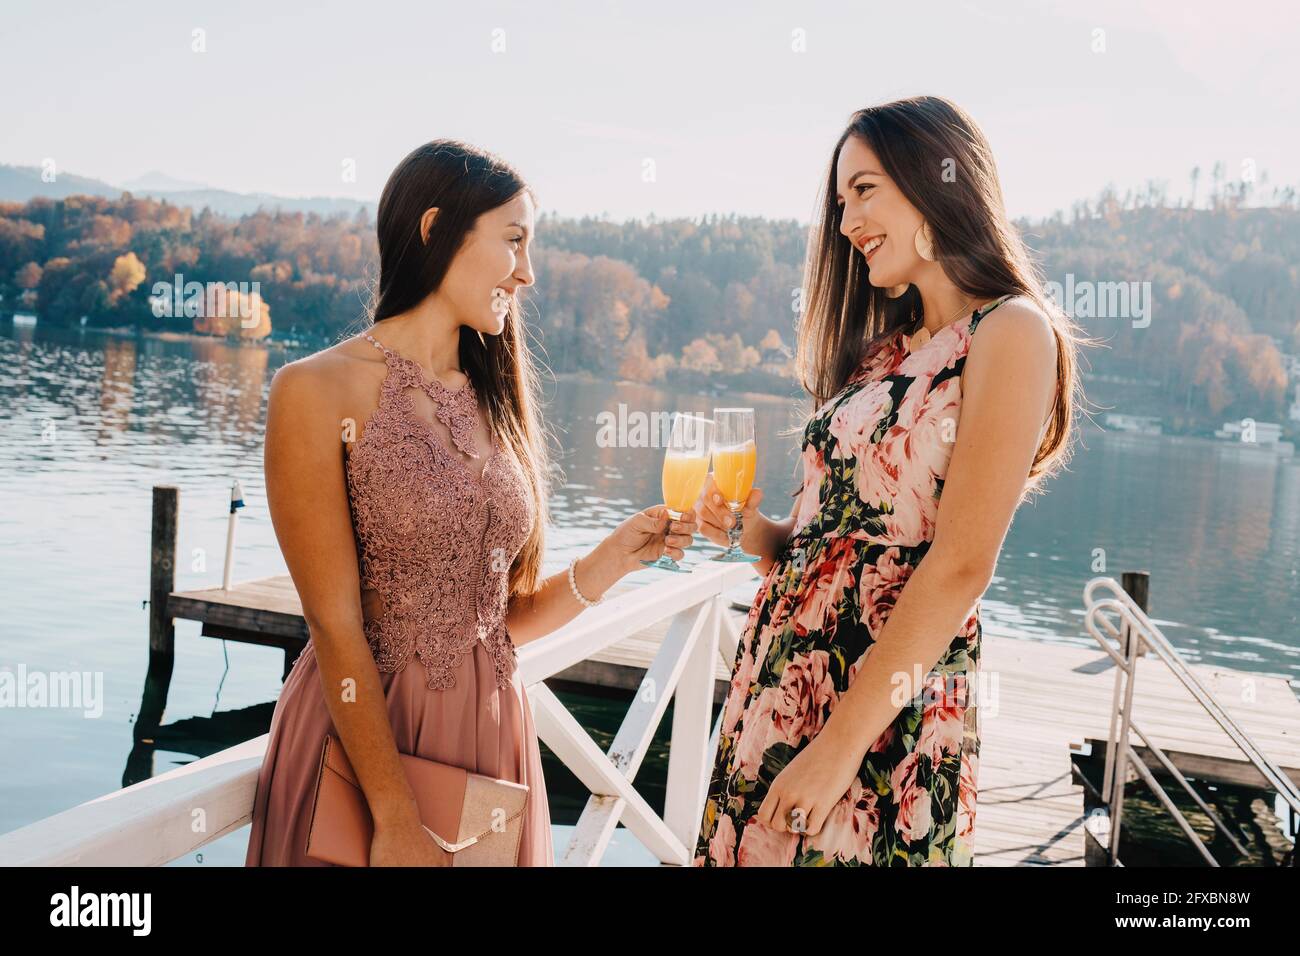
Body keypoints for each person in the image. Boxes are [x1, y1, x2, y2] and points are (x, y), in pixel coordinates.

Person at [244, 140, 697, 866]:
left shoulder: (492, 396)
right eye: (514, 241)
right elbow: (333, 626)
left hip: (494, 742)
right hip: (372, 751)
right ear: (433, 231)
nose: (528, 271)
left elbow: (498, 619)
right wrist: (392, 815)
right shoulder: (314, 390)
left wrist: (617, 559)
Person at [692, 96, 1083, 866]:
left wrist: (839, 748)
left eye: (864, 190)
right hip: (779, 683)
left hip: (881, 713)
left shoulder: (1010, 331)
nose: (845, 222)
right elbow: (825, 542)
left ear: (938, 179)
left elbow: (962, 564)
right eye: (840, 201)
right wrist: (753, 533)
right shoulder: (880, 354)